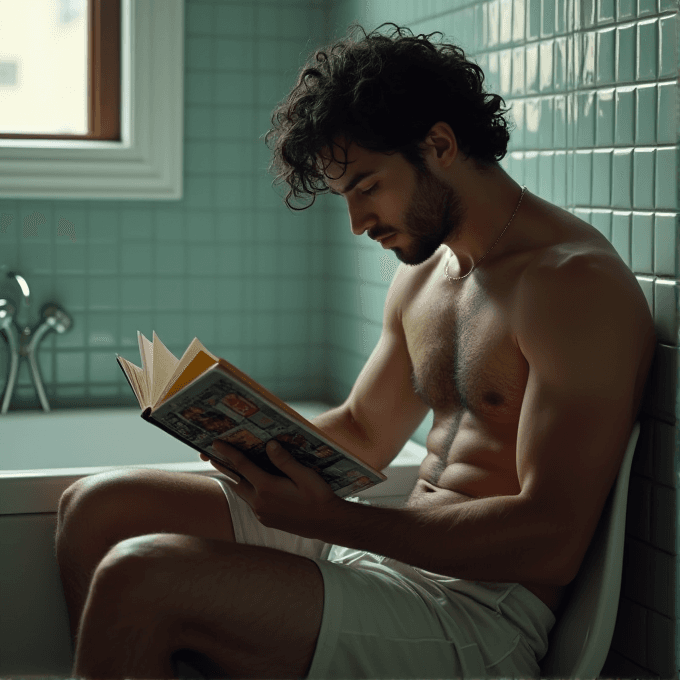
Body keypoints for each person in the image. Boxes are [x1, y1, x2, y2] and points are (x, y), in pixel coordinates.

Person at [55, 23, 656, 679]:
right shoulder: (427, 274)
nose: (357, 222)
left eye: (367, 187)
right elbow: (366, 431)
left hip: (477, 616)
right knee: (97, 510)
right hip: (389, 555)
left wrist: (336, 521)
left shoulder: (571, 285)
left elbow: (552, 542)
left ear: (440, 144)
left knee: (141, 576)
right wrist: (248, 443)